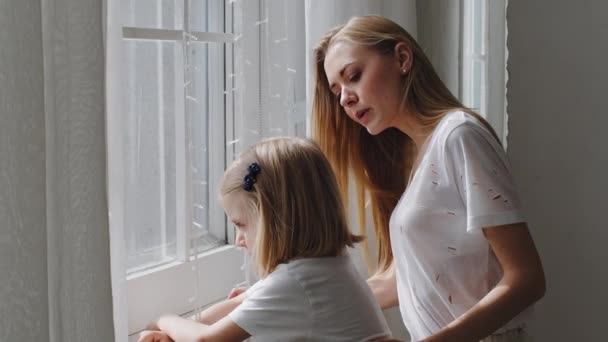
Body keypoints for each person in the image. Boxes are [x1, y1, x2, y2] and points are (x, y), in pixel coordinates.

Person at [311, 15, 546, 342]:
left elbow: (527, 278)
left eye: (353, 76)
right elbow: (399, 282)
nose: (344, 99)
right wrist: (286, 300)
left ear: (402, 59)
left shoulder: (460, 136)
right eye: (336, 91)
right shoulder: (414, 156)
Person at [138, 137, 392, 342]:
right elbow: (238, 303)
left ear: (274, 222)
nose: (238, 240)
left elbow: (205, 340)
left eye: (241, 225)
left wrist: (163, 320)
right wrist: (174, 333)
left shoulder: (297, 282)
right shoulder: (325, 267)